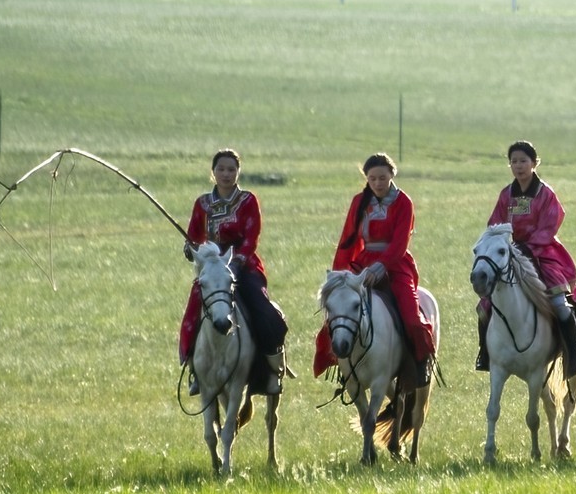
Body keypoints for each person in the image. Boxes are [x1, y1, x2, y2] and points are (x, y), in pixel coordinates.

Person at [312, 153, 435, 385]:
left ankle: (421, 364)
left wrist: (380, 268)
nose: (378, 183)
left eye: (382, 178)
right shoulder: (360, 201)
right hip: (363, 261)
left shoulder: (403, 202)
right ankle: (341, 363)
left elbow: (400, 243)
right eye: (372, 179)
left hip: (396, 264)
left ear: (392, 176)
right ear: (366, 179)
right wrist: (339, 275)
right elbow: (347, 239)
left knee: (411, 318)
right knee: (338, 315)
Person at [179, 148, 289, 395]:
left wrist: (237, 261)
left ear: (238, 172)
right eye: (221, 169)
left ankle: (273, 371)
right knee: (194, 314)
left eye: (231, 169)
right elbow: (194, 236)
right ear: (213, 172)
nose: (226, 174)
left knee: (265, 313)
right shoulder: (202, 204)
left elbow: (252, 237)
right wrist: (190, 249)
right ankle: (195, 370)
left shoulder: (248, 201)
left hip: (244, 267)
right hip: (212, 270)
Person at [476, 140, 576, 378]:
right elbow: (495, 226)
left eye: (523, 161)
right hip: (509, 254)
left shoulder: (546, 193)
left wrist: (528, 247)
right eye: (514, 161)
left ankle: (575, 353)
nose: (519, 166)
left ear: (535, 163)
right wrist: (503, 247)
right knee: (485, 306)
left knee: (560, 303)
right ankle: (485, 354)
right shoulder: (506, 194)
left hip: (542, 253)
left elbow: (551, 223)